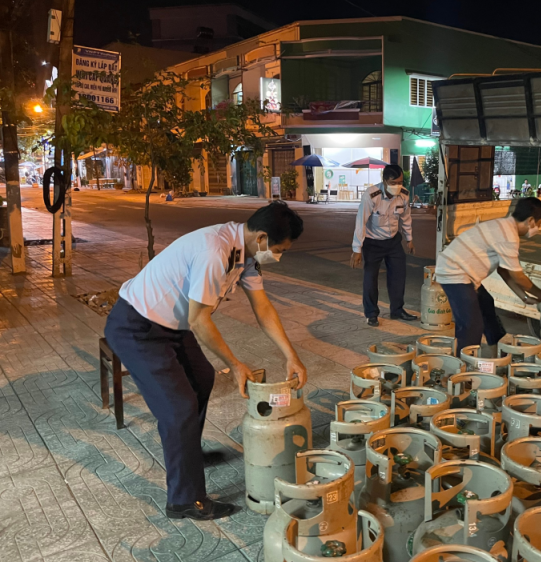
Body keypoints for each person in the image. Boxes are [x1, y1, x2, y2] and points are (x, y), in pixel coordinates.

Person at [104, 201, 307, 521]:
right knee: (178, 407)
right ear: (263, 238)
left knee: (202, 378)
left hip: (174, 323)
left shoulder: (246, 254)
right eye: (279, 249)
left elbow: (263, 308)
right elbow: (200, 319)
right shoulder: (216, 250)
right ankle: (185, 500)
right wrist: (236, 364)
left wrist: (291, 356)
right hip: (138, 326)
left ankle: (189, 453)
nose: (279, 256)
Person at [435, 197, 541, 355]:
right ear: (530, 220)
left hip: (462, 272)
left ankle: (494, 347)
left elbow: (504, 270)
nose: (538, 228)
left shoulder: (503, 226)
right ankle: (463, 366)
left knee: (486, 303)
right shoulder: (508, 236)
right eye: (538, 224)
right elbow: (518, 276)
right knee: (471, 324)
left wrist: (523, 296)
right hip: (453, 272)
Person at [350, 164, 417, 327]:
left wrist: (409, 239)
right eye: (393, 183)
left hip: (393, 241)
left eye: (400, 182)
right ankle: (371, 313)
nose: (397, 186)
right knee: (370, 278)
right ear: (384, 180)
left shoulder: (404, 195)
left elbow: (406, 218)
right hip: (373, 243)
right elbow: (361, 222)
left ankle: (397, 310)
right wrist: (356, 249)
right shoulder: (372, 195)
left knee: (398, 276)